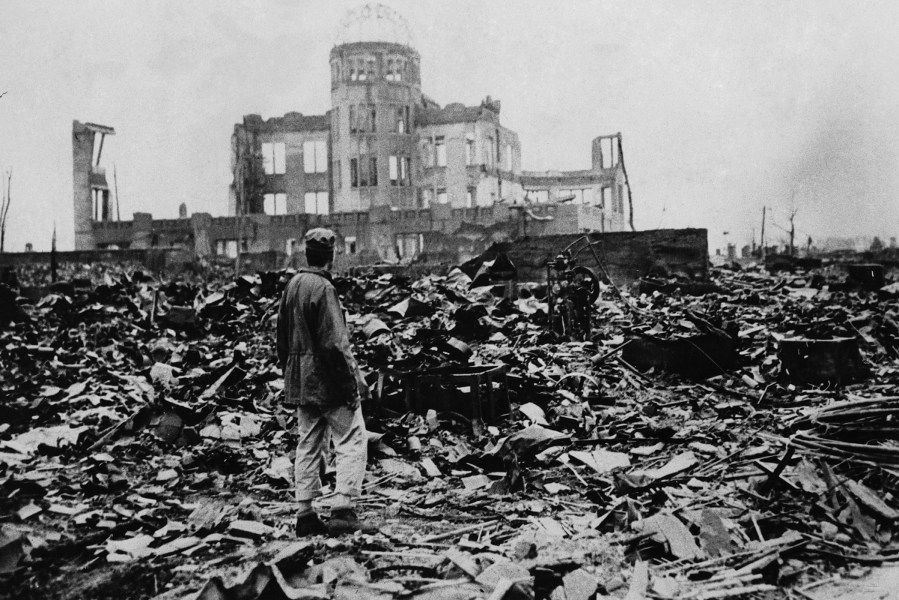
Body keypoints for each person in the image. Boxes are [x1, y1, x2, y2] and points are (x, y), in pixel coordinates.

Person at [276, 228, 370, 536]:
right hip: (327, 382)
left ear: (307, 254)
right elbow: (334, 345)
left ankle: (305, 513)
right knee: (352, 438)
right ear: (330, 256)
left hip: (301, 382)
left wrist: (293, 374)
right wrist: (351, 385)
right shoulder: (324, 289)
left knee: (309, 442)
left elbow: (281, 340)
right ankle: (343, 508)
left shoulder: (292, 286)